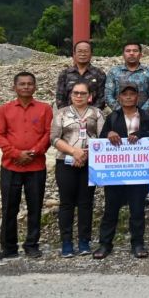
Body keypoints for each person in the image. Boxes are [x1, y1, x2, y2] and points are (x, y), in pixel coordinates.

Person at [93, 82, 149, 260]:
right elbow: (101, 141)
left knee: (137, 210)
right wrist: (109, 135)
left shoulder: (146, 116)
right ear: (119, 98)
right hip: (116, 173)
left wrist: (140, 135)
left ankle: (138, 243)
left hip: (139, 174)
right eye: (125, 94)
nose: (129, 97)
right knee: (110, 210)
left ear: (138, 97)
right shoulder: (113, 118)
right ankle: (105, 244)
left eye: (132, 94)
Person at [0, 72, 53, 261]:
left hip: (36, 167)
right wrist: (16, 154)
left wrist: (33, 152)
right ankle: (9, 247)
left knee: (35, 207)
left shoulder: (45, 109)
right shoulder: (5, 110)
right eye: (22, 84)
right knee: (9, 207)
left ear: (35, 87)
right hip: (11, 166)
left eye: (29, 84)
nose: (26, 87)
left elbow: (49, 133)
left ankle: (32, 245)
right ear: (15, 87)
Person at [50, 79, 105, 257]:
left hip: (90, 162)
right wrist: (74, 152)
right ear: (70, 95)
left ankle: (84, 241)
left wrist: (85, 155)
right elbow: (54, 138)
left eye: (83, 93)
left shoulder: (97, 113)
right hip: (65, 161)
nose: (79, 96)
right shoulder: (61, 114)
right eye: (75, 93)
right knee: (66, 203)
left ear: (90, 96)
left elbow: (101, 138)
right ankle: (66, 242)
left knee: (86, 203)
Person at [104, 42, 149, 112]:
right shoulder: (114, 72)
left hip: (144, 116)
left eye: (135, 51)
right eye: (128, 51)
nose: (131, 53)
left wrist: (141, 113)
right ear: (123, 55)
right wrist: (121, 112)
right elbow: (108, 96)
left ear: (140, 54)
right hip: (119, 116)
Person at [55, 40, 106, 110]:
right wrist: (68, 114)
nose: (83, 54)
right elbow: (60, 98)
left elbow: (102, 98)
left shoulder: (99, 74)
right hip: (69, 116)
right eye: (79, 51)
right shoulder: (65, 74)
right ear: (74, 54)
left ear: (91, 54)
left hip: (92, 116)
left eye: (86, 51)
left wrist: (90, 114)